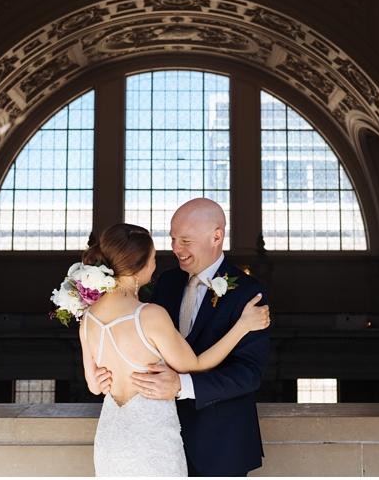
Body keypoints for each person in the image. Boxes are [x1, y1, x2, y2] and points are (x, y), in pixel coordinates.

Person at [79, 222, 270, 477]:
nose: (158, 264)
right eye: (154, 258)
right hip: (154, 444)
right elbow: (194, 365)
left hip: (113, 441)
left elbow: (94, 385)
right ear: (139, 266)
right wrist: (242, 326)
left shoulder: (88, 317)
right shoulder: (150, 313)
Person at [132, 198, 272, 476]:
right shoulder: (167, 282)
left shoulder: (248, 292)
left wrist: (182, 386)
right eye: (172, 239)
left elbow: (248, 374)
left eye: (185, 240)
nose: (175, 248)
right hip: (160, 438)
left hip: (221, 445)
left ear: (216, 237)